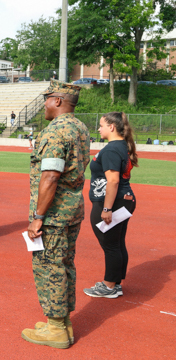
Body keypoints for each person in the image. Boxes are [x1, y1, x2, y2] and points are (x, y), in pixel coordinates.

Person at [23, 80, 90, 349]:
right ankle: (63, 322)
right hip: (72, 210)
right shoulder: (80, 127)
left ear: (59, 100)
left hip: (53, 214)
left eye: (48, 98)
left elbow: (50, 176)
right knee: (65, 265)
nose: (45, 103)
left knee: (50, 268)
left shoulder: (55, 132)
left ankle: (56, 329)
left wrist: (38, 216)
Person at [83, 112, 137, 298]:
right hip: (122, 200)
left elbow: (113, 181)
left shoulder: (113, 149)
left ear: (112, 127)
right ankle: (115, 283)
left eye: (101, 125)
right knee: (116, 243)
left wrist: (106, 209)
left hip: (113, 202)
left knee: (110, 245)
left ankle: (109, 285)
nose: (99, 129)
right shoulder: (118, 146)